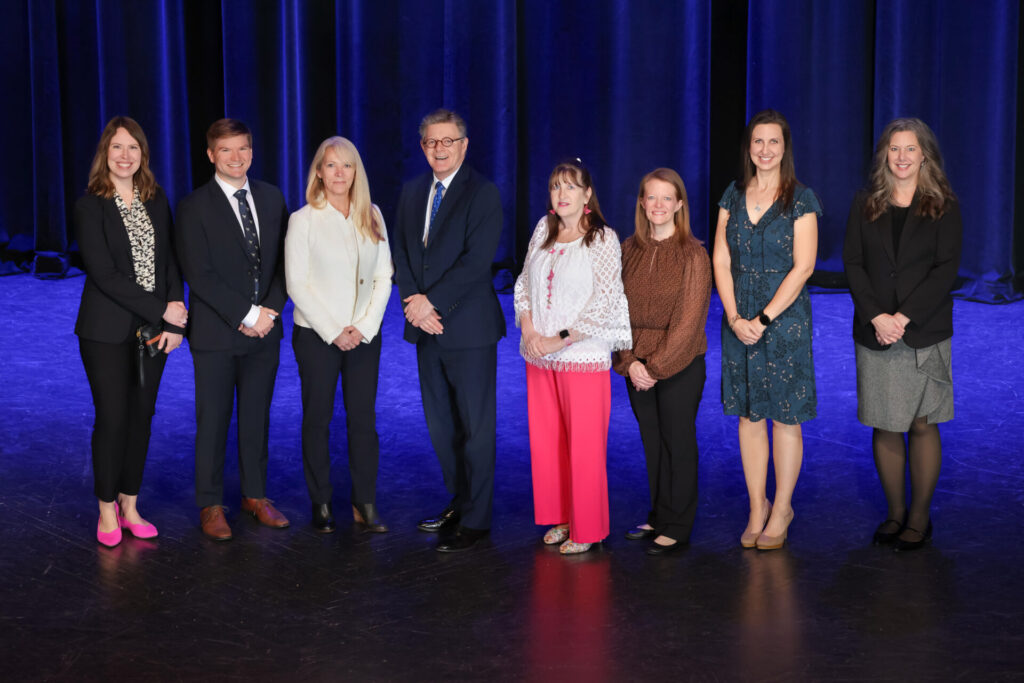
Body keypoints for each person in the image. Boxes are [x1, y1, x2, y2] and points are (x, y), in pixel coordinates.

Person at [843, 118, 961, 551]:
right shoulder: (864, 203)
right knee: (885, 423)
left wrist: (903, 317)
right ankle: (894, 514)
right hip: (876, 331)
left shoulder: (943, 204)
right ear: (885, 155)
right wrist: (877, 316)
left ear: (924, 155)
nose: (902, 157)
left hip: (924, 331)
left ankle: (919, 518)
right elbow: (852, 264)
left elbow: (945, 270)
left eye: (910, 149)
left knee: (921, 423)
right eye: (895, 149)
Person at [391, 109, 505, 552]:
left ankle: (477, 519)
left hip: (468, 328)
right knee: (442, 427)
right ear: (423, 147)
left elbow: (476, 263)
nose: (439, 149)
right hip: (425, 328)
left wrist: (428, 302)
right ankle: (459, 500)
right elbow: (401, 250)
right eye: (431, 142)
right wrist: (413, 304)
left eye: (448, 141)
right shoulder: (412, 191)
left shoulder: (483, 193)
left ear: (464, 144)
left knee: (476, 427)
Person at [75, 116, 188, 547]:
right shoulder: (90, 205)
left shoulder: (156, 200)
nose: (125, 156)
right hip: (104, 331)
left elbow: (171, 262)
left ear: (143, 155)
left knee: (142, 418)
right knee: (114, 418)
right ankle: (106, 509)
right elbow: (104, 274)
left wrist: (176, 317)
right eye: (117, 147)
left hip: (155, 329)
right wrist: (162, 310)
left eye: (133, 148)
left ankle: (129, 505)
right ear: (106, 153)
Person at [176, 118, 290, 541]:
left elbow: (284, 264)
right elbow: (199, 275)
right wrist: (246, 314)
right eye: (226, 150)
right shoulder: (193, 207)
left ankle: (255, 496)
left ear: (252, 152)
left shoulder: (272, 197)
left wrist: (270, 313)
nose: (236, 158)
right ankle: (210, 504)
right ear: (211, 155)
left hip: (266, 330)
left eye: (243, 148)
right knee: (213, 420)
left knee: (257, 417)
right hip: (217, 334)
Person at [712, 109, 820, 551]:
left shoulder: (801, 198)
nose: (765, 150)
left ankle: (782, 508)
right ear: (749, 147)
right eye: (758, 141)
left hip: (784, 322)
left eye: (773, 142)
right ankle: (757, 505)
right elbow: (720, 258)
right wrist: (736, 317)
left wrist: (763, 320)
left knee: (784, 418)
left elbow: (804, 266)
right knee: (749, 415)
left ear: (784, 147)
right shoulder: (733, 195)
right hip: (739, 322)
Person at [513, 160, 631, 555]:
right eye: (555, 187)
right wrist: (530, 331)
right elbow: (523, 285)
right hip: (540, 357)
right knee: (550, 442)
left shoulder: (602, 239)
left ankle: (590, 528)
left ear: (586, 195)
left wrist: (558, 340)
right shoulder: (542, 233)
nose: (561, 194)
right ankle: (564, 517)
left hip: (580, 354)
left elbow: (605, 303)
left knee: (584, 446)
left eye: (570, 187)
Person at [286, 136, 393, 534]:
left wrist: (362, 329)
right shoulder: (303, 220)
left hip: (364, 336)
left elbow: (384, 276)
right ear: (319, 171)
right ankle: (322, 503)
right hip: (317, 336)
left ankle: (364, 503)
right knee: (318, 418)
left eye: (347, 166)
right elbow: (297, 284)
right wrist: (334, 331)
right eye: (331, 165)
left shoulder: (373, 214)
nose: (339, 173)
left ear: (356, 172)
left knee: (363, 419)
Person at [613, 168, 712, 556]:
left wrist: (652, 368)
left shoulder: (693, 254)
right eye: (651, 197)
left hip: (679, 364)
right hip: (634, 362)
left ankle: (678, 523)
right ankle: (658, 514)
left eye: (666, 198)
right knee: (652, 442)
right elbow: (613, 310)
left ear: (680, 204)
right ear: (641, 202)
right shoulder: (627, 250)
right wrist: (629, 360)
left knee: (677, 440)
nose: (658, 205)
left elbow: (689, 323)